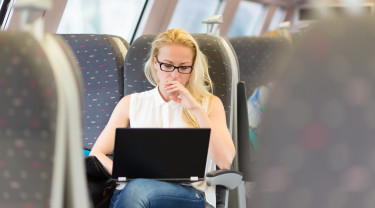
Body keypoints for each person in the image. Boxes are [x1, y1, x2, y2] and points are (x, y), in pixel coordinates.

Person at [90, 28, 236, 208]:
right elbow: (97, 153)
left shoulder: (210, 104)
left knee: (138, 190)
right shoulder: (132, 103)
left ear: (192, 68)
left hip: (188, 194)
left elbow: (225, 161)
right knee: (136, 188)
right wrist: (124, 173)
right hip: (131, 191)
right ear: (155, 63)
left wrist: (196, 109)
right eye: (167, 65)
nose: (175, 75)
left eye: (183, 67)